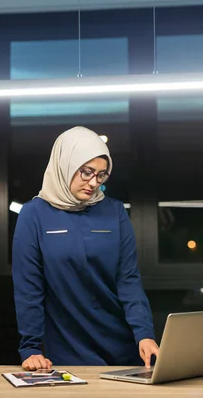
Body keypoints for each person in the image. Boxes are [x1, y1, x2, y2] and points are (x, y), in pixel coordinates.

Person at [12, 126, 159, 371]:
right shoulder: (33, 215)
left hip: (123, 344)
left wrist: (144, 334)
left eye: (102, 175)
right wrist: (30, 348)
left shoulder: (115, 212)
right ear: (65, 165)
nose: (94, 183)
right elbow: (29, 287)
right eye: (86, 172)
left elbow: (128, 280)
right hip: (68, 347)